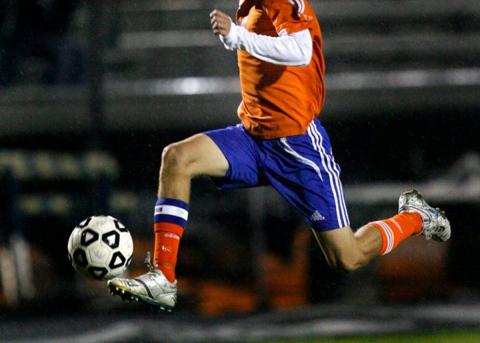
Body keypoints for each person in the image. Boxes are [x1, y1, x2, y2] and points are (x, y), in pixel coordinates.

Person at [108, 0, 451, 312]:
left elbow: (300, 50)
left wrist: (238, 36)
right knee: (177, 158)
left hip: (298, 149)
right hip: (253, 138)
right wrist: (236, 36)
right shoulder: (249, 3)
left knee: (348, 256)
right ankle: (163, 278)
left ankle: (416, 218)